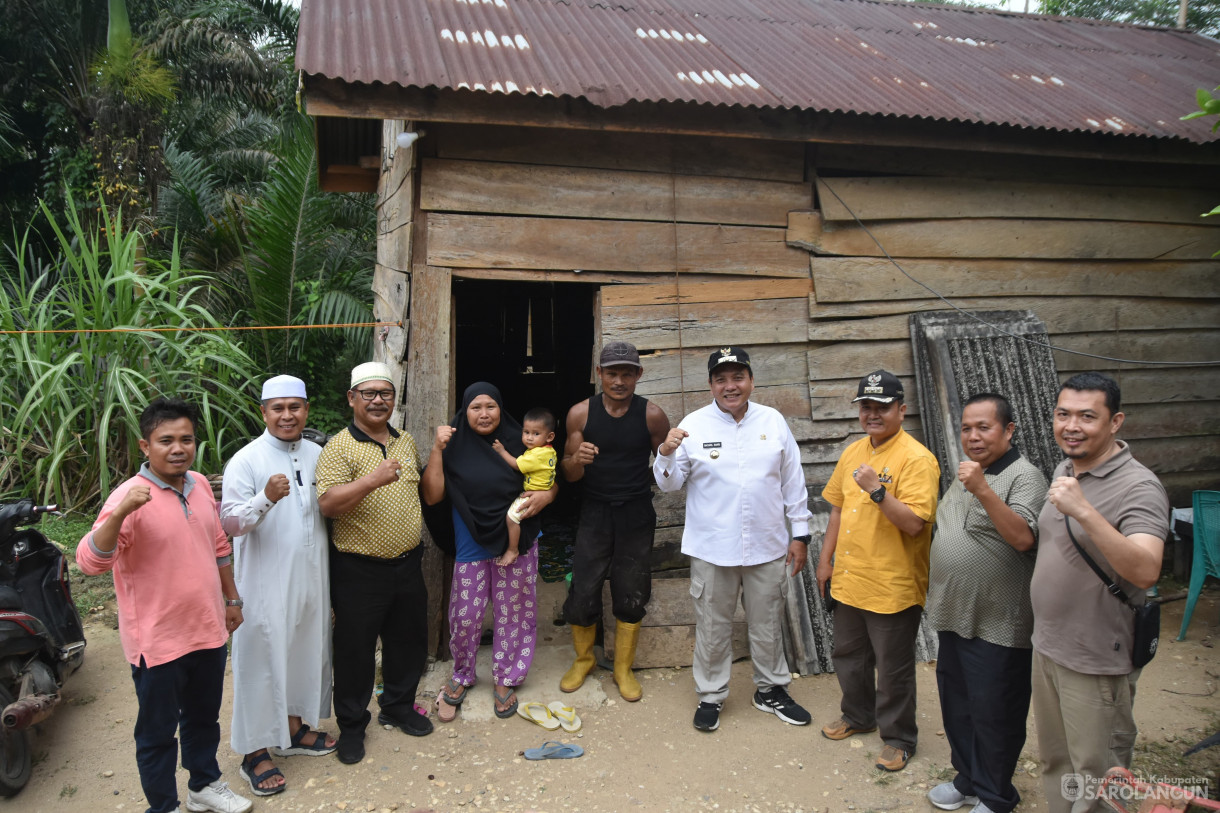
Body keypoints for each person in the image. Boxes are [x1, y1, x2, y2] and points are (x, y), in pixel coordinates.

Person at [76, 397, 252, 813]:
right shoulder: (129, 497)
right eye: (166, 440)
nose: (178, 448)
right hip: (156, 643)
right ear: (145, 446)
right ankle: (163, 806)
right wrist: (120, 514)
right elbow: (89, 562)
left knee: (202, 720)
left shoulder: (201, 485)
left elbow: (219, 545)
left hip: (207, 630)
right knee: (157, 733)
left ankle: (203, 786)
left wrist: (232, 598)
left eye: (186, 439)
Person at [654, 346, 812, 732]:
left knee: (766, 622)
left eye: (737, 377)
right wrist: (665, 453)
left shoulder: (772, 422)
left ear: (751, 380)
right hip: (712, 548)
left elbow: (793, 481)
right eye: (721, 379)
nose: (730, 386)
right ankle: (711, 695)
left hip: (767, 544)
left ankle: (771, 689)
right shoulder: (693, 425)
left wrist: (801, 534)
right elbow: (670, 484)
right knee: (712, 626)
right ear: (710, 385)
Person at [1031, 372, 1168, 813]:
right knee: (1057, 762)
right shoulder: (1066, 468)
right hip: (1049, 646)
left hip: (1095, 657)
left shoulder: (1139, 486)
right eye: (1063, 414)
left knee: (1098, 776)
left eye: (1088, 416)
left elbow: (1146, 570)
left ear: (1115, 422)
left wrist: (1084, 511)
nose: (1072, 426)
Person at [924, 393, 1048, 813]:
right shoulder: (969, 473)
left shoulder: (1024, 476)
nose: (972, 436)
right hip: (955, 612)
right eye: (966, 428)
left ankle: (997, 796)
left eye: (984, 427)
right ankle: (969, 780)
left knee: (996, 710)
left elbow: (1023, 538)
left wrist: (981, 489)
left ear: (1008, 430)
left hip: (999, 618)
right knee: (959, 705)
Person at [816, 369, 939, 773]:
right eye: (866, 406)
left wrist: (877, 490)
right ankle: (858, 716)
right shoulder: (855, 452)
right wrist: (825, 559)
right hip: (850, 579)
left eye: (882, 406)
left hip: (892, 583)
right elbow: (835, 507)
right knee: (848, 655)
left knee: (893, 667)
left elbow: (915, 524)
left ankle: (899, 738)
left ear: (901, 410)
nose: (873, 414)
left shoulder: (917, 459)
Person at [221, 375, 335, 798]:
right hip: (265, 582)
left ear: (307, 409)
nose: (288, 415)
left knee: (305, 649)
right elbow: (230, 523)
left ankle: (293, 729)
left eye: (295, 407)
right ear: (263, 412)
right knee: (261, 658)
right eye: (278, 408)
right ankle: (254, 751)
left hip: (311, 576)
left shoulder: (319, 453)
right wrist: (265, 498)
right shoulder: (247, 460)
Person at [316, 362, 433, 766]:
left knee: (408, 642)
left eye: (386, 394)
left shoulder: (406, 441)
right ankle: (351, 726)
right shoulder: (338, 447)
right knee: (355, 651)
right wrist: (372, 480)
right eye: (369, 394)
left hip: (407, 563)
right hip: (358, 570)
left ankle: (398, 707)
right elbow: (328, 504)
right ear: (352, 398)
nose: (379, 401)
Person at [423, 382, 558, 722]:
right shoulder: (452, 445)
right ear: (464, 411)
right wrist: (436, 450)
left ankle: (506, 678)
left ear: (501, 409)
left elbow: (548, 478)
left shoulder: (520, 440)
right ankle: (463, 673)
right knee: (466, 614)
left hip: (517, 536)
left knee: (514, 609)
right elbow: (433, 495)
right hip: (470, 539)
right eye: (476, 407)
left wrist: (549, 495)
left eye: (491, 406)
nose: (484, 414)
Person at [560, 341, 671, 701]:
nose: (619, 380)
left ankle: (622, 667)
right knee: (584, 588)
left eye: (627, 373)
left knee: (632, 587)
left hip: (636, 512)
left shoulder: (652, 415)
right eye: (612, 373)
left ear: (639, 374)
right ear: (600, 375)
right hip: (594, 511)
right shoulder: (580, 414)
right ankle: (584, 659)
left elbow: (669, 469)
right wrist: (578, 459)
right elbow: (568, 474)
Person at [491, 406, 558, 568]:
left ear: (550, 437)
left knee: (512, 518)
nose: (529, 438)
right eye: (526, 432)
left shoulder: (536, 455)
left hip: (532, 494)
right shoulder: (548, 451)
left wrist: (501, 451)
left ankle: (512, 549)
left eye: (536, 434)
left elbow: (515, 464)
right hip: (542, 488)